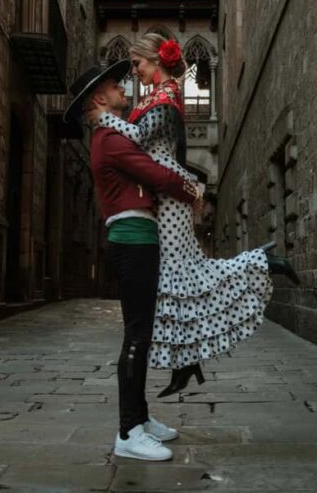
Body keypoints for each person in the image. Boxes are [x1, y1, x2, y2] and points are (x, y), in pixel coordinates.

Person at [90, 33, 300, 399]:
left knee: (181, 271)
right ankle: (186, 363)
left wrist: (103, 120)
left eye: (138, 64)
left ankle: (263, 262)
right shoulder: (159, 94)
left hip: (169, 198)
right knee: (177, 276)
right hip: (166, 194)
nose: (135, 73)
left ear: (155, 60)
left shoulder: (166, 95)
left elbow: (138, 137)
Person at [63, 61, 202, 462]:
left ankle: (139, 418)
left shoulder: (109, 134)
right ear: (99, 99)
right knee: (137, 336)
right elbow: (153, 173)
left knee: (140, 333)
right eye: (113, 85)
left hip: (139, 238)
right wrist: (192, 189)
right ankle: (127, 431)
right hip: (133, 240)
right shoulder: (108, 137)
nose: (122, 87)